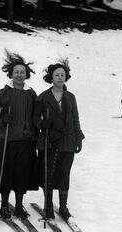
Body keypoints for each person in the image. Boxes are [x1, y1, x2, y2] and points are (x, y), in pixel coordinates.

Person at [0, 49, 38, 219]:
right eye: (16, 72)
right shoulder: (4, 92)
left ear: (26, 74)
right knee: (6, 172)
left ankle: (18, 206)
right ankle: (3, 206)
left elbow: (36, 115)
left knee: (22, 173)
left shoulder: (31, 93)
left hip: (26, 140)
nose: (19, 75)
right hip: (6, 138)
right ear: (11, 74)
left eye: (22, 72)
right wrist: (2, 119)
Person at [33, 59, 84, 220]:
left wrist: (78, 137)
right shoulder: (43, 97)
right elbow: (35, 117)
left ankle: (63, 207)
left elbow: (75, 118)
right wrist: (42, 123)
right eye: (57, 75)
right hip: (49, 140)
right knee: (48, 174)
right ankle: (48, 206)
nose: (60, 77)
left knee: (64, 174)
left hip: (68, 141)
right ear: (51, 77)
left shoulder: (71, 97)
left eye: (63, 75)